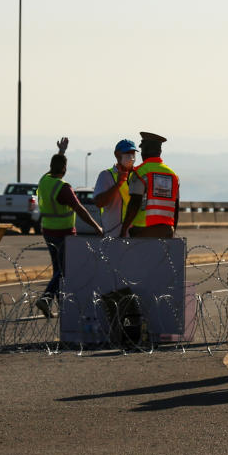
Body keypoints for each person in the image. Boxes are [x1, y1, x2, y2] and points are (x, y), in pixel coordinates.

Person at [35, 137, 105, 318]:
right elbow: (80, 210)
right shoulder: (63, 188)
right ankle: (47, 298)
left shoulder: (44, 181)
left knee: (59, 269)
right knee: (64, 269)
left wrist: (61, 152)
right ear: (64, 169)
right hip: (64, 234)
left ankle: (60, 305)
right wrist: (97, 227)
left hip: (47, 231)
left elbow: (55, 166)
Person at [121, 132, 180, 238]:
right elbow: (176, 208)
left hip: (143, 230)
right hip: (166, 231)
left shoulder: (141, 172)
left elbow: (135, 203)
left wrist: (124, 229)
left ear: (144, 151)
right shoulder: (173, 175)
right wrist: (172, 231)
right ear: (160, 151)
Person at [93, 139, 139, 237]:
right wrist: (118, 184)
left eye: (133, 153)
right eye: (127, 153)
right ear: (117, 154)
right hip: (112, 235)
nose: (131, 157)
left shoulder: (139, 174)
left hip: (135, 235)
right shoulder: (106, 175)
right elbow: (99, 202)